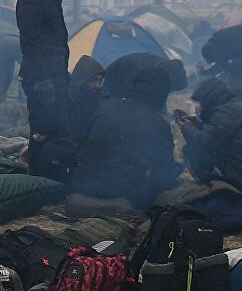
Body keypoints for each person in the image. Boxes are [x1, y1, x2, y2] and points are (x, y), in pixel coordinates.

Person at [70, 51, 180, 211]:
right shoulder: (159, 125)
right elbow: (164, 173)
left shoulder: (106, 106)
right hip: (121, 195)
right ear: (161, 93)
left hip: (82, 187)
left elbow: (85, 144)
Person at [177, 76, 242, 232]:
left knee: (192, 150)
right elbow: (217, 136)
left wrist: (186, 127)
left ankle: (211, 184)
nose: (199, 107)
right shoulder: (235, 108)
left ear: (209, 98)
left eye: (200, 102)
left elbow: (205, 142)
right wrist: (195, 123)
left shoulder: (224, 112)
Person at [16, 0, 76, 155]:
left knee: (59, 130)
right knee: (43, 131)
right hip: (41, 79)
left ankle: (53, 172)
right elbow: (31, 44)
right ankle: (40, 173)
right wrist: (44, 80)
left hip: (53, 75)